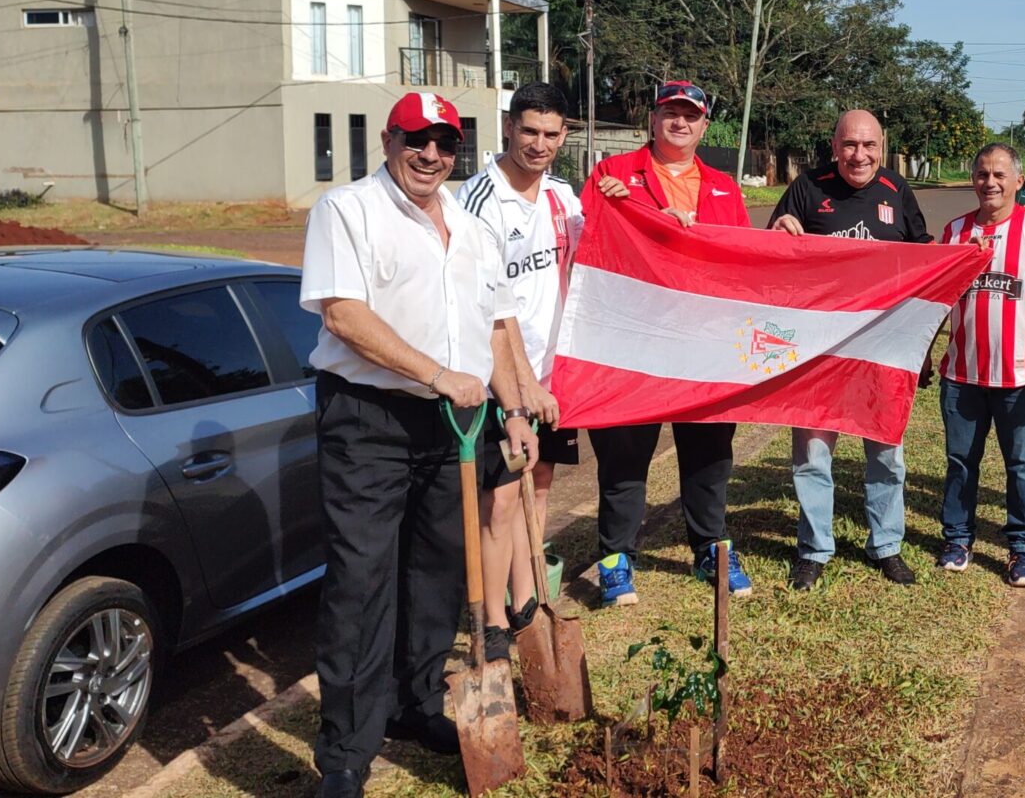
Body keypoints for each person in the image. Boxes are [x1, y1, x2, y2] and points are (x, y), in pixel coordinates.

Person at [299, 92, 536, 798]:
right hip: (370, 421)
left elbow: (495, 327)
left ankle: (414, 705)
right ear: (388, 138)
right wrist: (435, 374)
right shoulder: (347, 212)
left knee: (435, 575)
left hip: (455, 424)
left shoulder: (471, 226)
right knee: (360, 583)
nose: (430, 154)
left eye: (444, 141)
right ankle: (345, 753)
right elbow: (343, 314)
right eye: (416, 139)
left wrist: (514, 409)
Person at [584, 80, 753, 605]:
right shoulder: (613, 175)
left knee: (708, 452)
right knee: (624, 452)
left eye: (690, 115)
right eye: (670, 113)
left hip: (702, 339)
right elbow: (587, 241)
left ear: (704, 125)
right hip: (634, 336)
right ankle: (615, 558)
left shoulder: (724, 185)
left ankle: (710, 546)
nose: (680, 123)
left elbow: (745, 257)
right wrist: (613, 208)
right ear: (652, 120)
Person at [769, 109, 931, 591]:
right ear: (834, 146)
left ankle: (887, 545)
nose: (859, 155)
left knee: (886, 453)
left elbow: (925, 260)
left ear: (881, 147)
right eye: (849, 145)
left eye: (869, 146)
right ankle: (815, 549)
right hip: (820, 349)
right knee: (813, 454)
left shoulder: (897, 190)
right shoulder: (806, 187)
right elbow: (771, 255)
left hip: (881, 347)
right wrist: (779, 233)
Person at [454, 81, 583, 662]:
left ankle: (528, 600)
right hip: (502, 379)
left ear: (564, 135)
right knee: (500, 502)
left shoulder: (563, 196)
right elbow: (489, 310)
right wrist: (523, 386)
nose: (539, 144)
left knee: (540, 488)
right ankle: (491, 619)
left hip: (554, 379)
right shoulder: (479, 201)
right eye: (529, 130)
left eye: (551, 134)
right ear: (508, 127)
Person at [935, 143, 1025, 588]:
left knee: (1021, 466)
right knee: (960, 461)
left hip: (1020, 376)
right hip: (962, 374)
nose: (990, 183)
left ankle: (1022, 549)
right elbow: (936, 301)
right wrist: (923, 356)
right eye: (981, 174)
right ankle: (958, 538)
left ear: (1019, 181)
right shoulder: (955, 231)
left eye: (1000, 174)